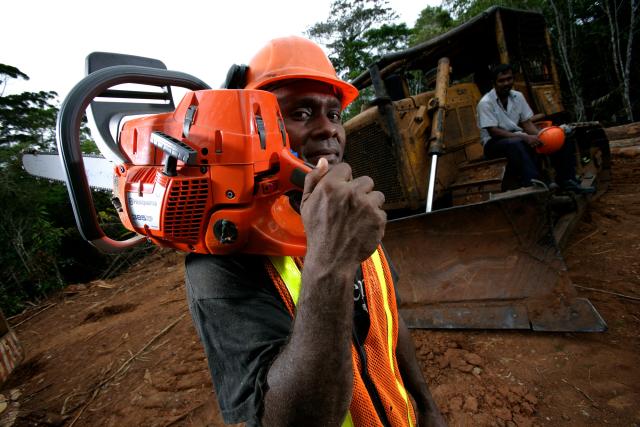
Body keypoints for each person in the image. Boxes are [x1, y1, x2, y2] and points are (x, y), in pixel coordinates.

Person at [184, 36, 446, 427]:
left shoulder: (348, 213)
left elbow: (385, 316)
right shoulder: (222, 257)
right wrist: (332, 259)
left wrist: (426, 406)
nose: (329, 131)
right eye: (302, 113)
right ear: (252, 128)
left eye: (335, 115)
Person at [477, 63, 594, 193]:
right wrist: (525, 137)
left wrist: (542, 135)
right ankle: (535, 185)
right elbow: (494, 131)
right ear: (494, 83)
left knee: (559, 136)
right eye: (501, 81)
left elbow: (527, 123)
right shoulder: (485, 103)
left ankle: (566, 180)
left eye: (509, 79)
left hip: (517, 137)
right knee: (517, 143)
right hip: (494, 143)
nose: (506, 83)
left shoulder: (517, 96)